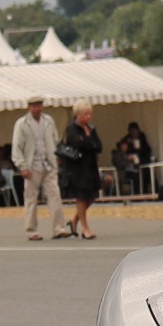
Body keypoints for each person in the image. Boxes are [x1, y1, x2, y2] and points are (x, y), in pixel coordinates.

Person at [11, 95, 68, 241]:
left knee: (54, 194)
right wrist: (22, 166)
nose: (37, 108)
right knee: (31, 198)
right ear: (29, 107)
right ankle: (31, 230)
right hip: (32, 166)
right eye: (34, 105)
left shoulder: (48, 121)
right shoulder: (22, 124)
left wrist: (56, 157)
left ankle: (59, 228)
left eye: (39, 105)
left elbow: (55, 140)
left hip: (48, 164)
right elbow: (16, 148)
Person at [59, 101, 102, 239]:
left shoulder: (91, 127)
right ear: (77, 114)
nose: (89, 117)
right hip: (77, 168)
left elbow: (99, 146)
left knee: (93, 195)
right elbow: (79, 144)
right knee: (81, 197)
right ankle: (85, 228)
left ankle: (74, 221)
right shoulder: (71, 128)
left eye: (90, 114)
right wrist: (90, 143)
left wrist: (88, 143)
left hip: (91, 167)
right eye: (85, 114)